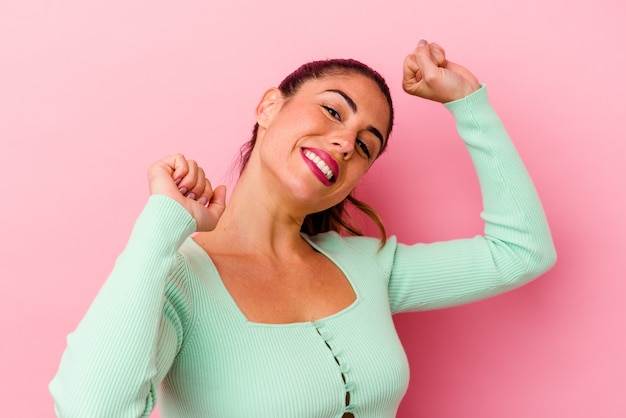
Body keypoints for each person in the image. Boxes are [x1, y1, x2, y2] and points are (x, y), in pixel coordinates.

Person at [49, 39, 556, 417]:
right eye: (333, 111)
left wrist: (468, 102)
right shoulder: (178, 281)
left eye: (364, 146)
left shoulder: (367, 265)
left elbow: (521, 251)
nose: (343, 142)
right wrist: (163, 224)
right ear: (270, 106)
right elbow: (91, 411)